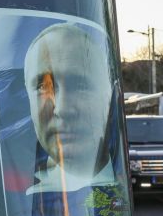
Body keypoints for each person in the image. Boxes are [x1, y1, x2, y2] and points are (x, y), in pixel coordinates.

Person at [23, 22, 116, 194]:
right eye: (43, 87)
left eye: (80, 84)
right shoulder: (0, 201)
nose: (62, 109)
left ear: (108, 97)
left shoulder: (127, 183)